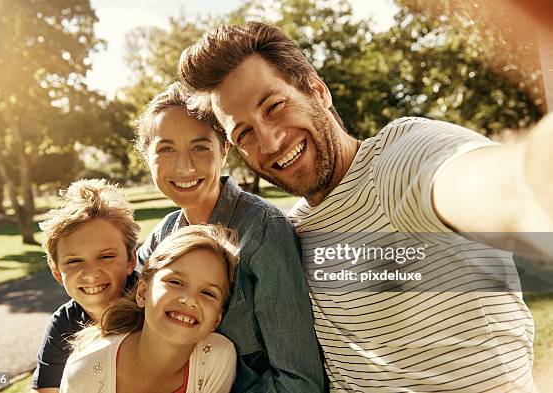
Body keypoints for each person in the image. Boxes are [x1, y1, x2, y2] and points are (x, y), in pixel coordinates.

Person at [179, 21, 553, 392]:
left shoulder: (395, 162)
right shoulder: (288, 231)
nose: (270, 140)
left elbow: (484, 183)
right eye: (244, 133)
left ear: (317, 90)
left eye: (274, 106)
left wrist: (528, 182)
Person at [135, 82, 325, 392]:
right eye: (166, 148)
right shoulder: (162, 237)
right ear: (147, 156)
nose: (184, 166)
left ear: (224, 151)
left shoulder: (263, 230)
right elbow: (118, 311)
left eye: (200, 147)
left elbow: (300, 383)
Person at [60, 224, 239, 393]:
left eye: (208, 293)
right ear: (143, 292)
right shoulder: (84, 370)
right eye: (175, 282)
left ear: (217, 318)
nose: (189, 299)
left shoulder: (217, 357)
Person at [32, 179, 140, 393]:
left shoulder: (155, 305)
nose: (91, 273)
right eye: (74, 261)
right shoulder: (63, 325)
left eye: (106, 256)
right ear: (56, 271)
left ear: (131, 260)